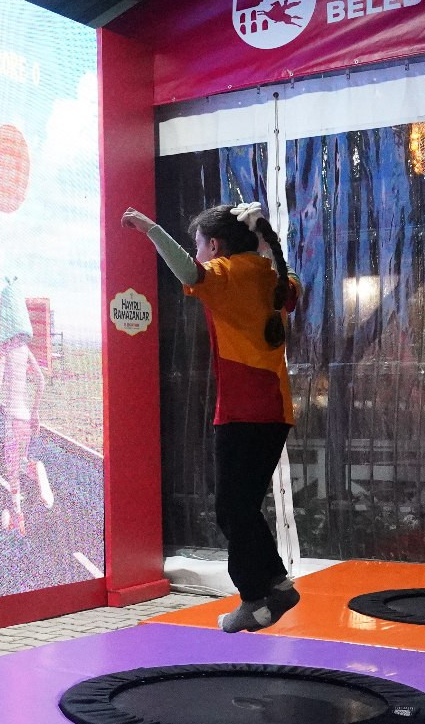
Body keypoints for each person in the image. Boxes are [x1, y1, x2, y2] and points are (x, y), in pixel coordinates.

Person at [123, 201, 302, 632]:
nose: (198, 253)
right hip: (274, 409)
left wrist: (151, 229)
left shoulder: (229, 274)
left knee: (231, 510)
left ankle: (256, 598)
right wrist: (265, 245)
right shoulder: (274, 276)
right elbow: (291, 280)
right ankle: (276, 585)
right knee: (242, 507)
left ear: (216, 246)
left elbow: (190, 273)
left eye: (200, 244)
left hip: (243, 411)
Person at [0, 280, 51, 535]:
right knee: (23, 461)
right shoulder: (26, 350)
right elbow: (41, 380)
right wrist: (36, 411)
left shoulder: (6, 350)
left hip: (12, 420)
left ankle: (18, 517)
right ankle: (37, 470)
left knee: (12, 471)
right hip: (26, 418)